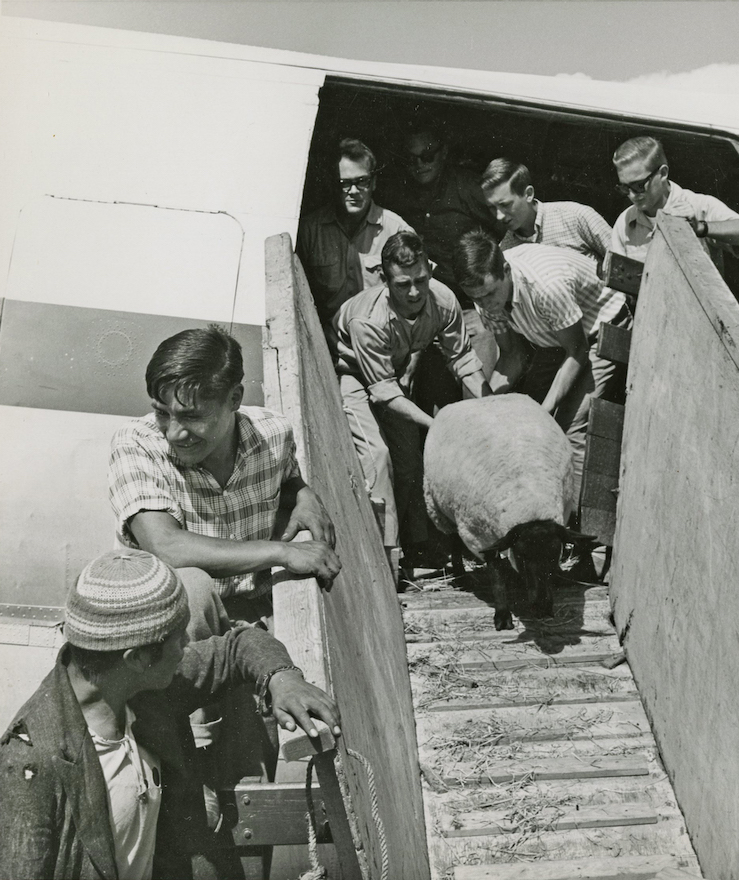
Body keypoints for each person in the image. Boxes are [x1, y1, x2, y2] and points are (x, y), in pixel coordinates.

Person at [0, 549, 341, 880]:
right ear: (136, 659)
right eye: (177, 641)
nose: (185, 650)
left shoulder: (141, 689)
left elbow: (238, 646)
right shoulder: (29, 771)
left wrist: (283, 677)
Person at [108, 325, 341, 628]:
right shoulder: (136, 443)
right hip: (169, 624)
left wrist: (301, 493)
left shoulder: (273, 434)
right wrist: (282, 552)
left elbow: (287, 477)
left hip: (252, 612)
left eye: (192, 416)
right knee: (193, 587)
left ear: (234, 399)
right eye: (163, 413)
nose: (175, 433)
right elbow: (165, 546)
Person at [334, 231, 490, 569]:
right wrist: (441, 425)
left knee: (410, 465)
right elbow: (384, 392)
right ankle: (384, 561)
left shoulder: (444, 300)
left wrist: (489, 408)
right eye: (403, 284)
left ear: (430, 270)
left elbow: (462, 360)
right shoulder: (367, 320)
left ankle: (417, 547)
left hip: (394, 372)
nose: (415, 292)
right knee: (378, 458)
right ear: (385, 281)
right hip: (356, 376)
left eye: (421, 279)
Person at [452, 230, 630, 510]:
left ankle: (577, 529)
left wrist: (544, 411)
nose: (485, 304)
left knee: (568, 429)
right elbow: (512, 355)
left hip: (599, 333)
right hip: (552, 339)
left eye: (489, 294)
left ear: (506, 271)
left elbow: (577, 352)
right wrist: (484, 407)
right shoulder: (484, 294)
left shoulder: (546, 285)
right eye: (477, 298)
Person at [378, 121, 504, 380]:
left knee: (478, 385)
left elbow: (507, 230)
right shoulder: (398, 192)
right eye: (411, 159)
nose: (419, 164)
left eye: (427, 156)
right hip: (426, 310)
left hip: (473, 308)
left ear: (443, 152)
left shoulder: (469, 188)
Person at [295, 138, 413, 354]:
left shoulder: (396, 230)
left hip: (385, 348)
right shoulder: (311, 231)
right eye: (344, 183)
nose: (354, 191)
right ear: (333, 184)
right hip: (327, 348)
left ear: (374, 182)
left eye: (362, 181)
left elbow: (420, 298)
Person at [608, 135, 739, 271]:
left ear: (663, 173)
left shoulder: (698, 205)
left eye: (639, 185)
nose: (633, 195)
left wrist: (700, 227)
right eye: (625, 188)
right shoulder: (625, 222)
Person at [481, 158, 611, 266]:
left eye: (505, 205)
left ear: (528, 194)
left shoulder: (576, 217)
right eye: (492, 208)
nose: (499, 216)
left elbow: (624, 260)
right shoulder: (506, 250)